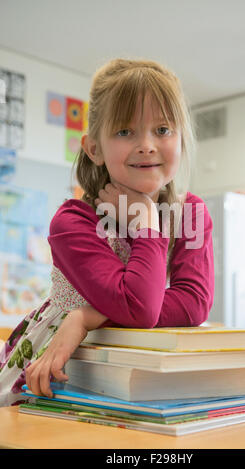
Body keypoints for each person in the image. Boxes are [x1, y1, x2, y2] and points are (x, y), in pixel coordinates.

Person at [0, 58, 214, 407]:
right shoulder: (73, 222)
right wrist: (147, 223)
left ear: (181, 139)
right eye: (125, 132)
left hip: (137, 372)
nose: (147, 145)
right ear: (94, 148)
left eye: (162, 130)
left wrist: (87, 316)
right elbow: (140, 308)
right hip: (58, 367)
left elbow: (195, 302)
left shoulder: (190, 212)